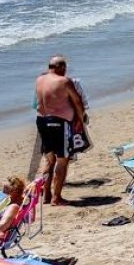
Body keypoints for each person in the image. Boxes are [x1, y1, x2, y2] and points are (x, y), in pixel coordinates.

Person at [34, 56, 87, 206]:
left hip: (41, 121)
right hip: (59, 123)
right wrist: (79, 119)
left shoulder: (39, 80)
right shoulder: (64, 81)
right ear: (61, 67)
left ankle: (46, 196)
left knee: (49, 159)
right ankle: (56, 198)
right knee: (62, 160)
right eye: (65, 68)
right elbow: (77, 101)